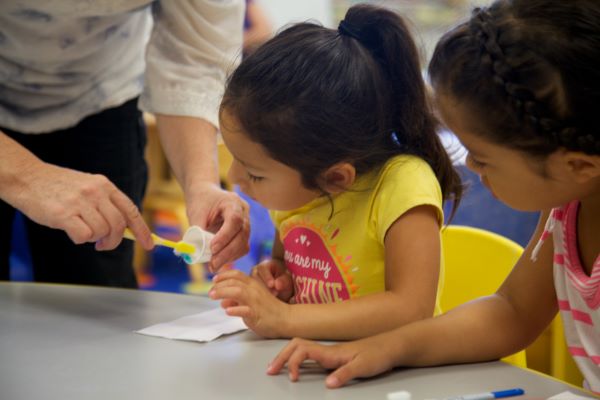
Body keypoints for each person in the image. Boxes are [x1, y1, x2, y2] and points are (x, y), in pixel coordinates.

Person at [266, 0, 600, 392]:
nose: (472, 167)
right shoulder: (565, 205)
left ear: (577, 165)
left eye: (483, 157)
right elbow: (512, 312)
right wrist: (387, 347)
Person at [208, 4, 463, 340]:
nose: (235, 178)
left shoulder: (403, 185)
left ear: (336, 178)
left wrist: (285, 318)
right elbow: (294, 282)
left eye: (255, 174)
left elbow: (412, 309)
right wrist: (277, 280)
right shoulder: (295, 190)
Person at [0, 1, 250, 288]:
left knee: (97, 297)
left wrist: (200, 184)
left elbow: (194, 64)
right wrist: (28, 175)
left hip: (102, 94)